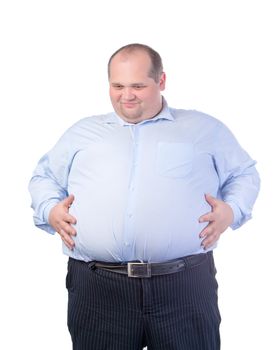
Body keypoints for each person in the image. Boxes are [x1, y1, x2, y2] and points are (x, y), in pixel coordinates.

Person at [29, 43, 260, 350]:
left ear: (161, 81)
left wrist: (231, 211)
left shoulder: (203, 129)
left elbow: (244, 174)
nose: (127, 96)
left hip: (184, 285)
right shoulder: (82, 133)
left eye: (138, 85)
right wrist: (49, 211)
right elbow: (44, 177)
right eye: (118, 86)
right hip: (98, 289)